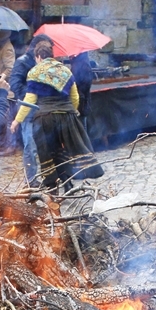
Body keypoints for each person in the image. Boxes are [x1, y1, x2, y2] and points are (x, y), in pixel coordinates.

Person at [9, 40, 103, 193]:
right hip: (67, 117)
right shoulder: (66, 71)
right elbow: (75, 97)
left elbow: (30, 99)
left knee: (48, 154)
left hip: (44, 119)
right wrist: (73, 111)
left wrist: (16, 120)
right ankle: (67, 184)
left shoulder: (35, 72)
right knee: (63, 151)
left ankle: (52, 189)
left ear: (39, 56)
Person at [9, 33, 53, 186]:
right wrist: (31, 94)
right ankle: (32, 181)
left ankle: (48, 178)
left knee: (46, 146)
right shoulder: (22, 62)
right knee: (30, 147)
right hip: (28, 111)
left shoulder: (47, 64)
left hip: (43, 109)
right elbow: (14, 83)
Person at [70, 52, 94, 132]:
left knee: (80, 129)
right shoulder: (83, 64)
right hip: (83, 100)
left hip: (80, 101)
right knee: (82, 128)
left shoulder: (80, 66)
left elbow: (80, 86)